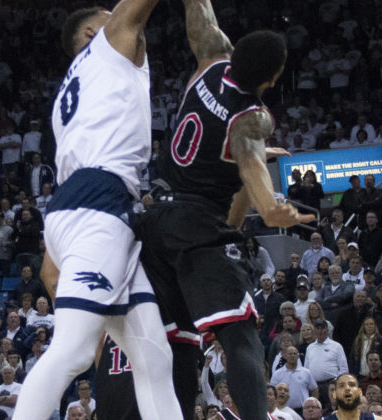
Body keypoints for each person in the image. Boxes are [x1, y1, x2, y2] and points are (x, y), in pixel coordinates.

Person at [134, 2, 315, 418]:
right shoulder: (253, 120)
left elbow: (199, 8)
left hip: (155, 218)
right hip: (196, 225)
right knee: (240, 334)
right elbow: (264, 202)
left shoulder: (212, 59)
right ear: (273, 79)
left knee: (179, 341)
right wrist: (278, 209)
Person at [13, 2, 185, 419]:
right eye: (111, 19)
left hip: (82, 205)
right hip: (100, 203)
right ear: (93, 35)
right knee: (71, 351)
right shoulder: (105, 49)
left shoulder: (67, 98)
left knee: (153, 356)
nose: (123, 23)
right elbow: (136, 12)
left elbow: (50, 274)